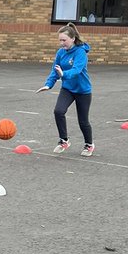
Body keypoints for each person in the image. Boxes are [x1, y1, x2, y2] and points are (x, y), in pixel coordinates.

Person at [38, 23, 94, 155]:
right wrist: (48, 84)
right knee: (58, 111)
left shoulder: (81, 52)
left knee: (83, 120)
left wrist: (64, 74)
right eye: (60, 40)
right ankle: (64, 140)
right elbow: (55, 70)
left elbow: (77, 70)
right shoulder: (61, 52)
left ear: (73, 39)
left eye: (64, 40)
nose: (62, 43)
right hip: (68, 89)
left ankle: (89, 144)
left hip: (83, 91)